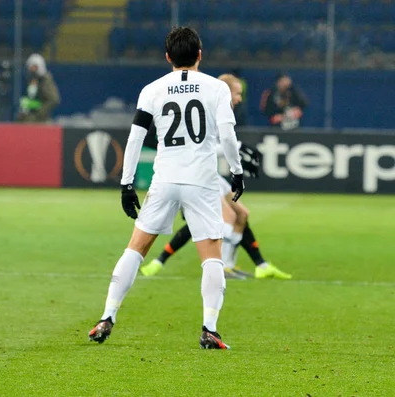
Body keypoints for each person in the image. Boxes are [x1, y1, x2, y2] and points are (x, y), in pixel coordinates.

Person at [88, 27, 244, 350]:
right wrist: (238, 171)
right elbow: (228, 135)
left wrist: (126, 183)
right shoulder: (217, 89)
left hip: (165, 179)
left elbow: (135, 138)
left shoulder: (152, 90)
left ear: (168, 57)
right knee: (211, 256)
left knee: (136, 248)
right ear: (200, 54)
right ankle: (209, 329)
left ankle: (107, 316)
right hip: (201, 181)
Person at [141, 74, 292, 281]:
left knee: (240, 215)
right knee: (223, 219)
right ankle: (215, 267)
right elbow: (201, 147)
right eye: (237, 93)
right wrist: (236, 152)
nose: (240, 98)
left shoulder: (220, 110)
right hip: (193, 177)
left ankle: (233, 265)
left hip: (208, 174)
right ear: (225, 91)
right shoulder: (207, 110)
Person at [17, 53, 60, 123]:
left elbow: (54, 99)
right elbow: (30, 96)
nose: (30, 69)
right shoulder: (33, 79)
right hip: (29, 117)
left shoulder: (45, 81)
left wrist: (39, 112)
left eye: (32, 67)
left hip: (40, 121)